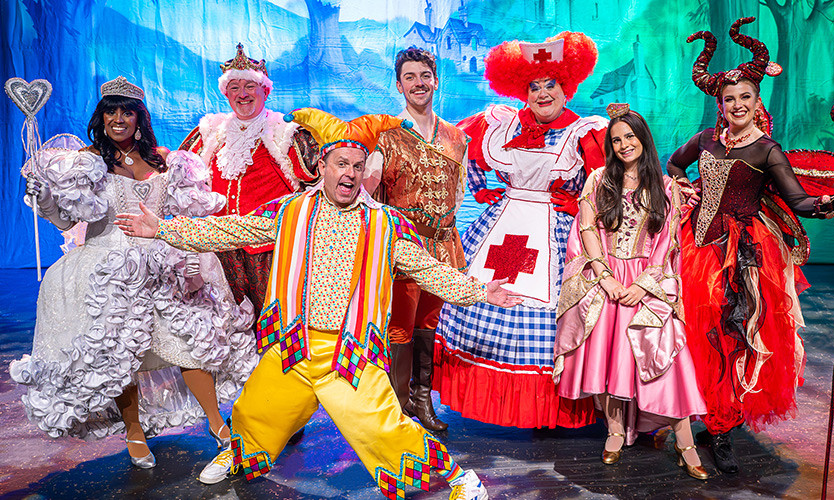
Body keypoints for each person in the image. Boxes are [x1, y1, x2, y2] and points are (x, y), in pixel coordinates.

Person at [116, 108, 520, 499]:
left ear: (364, 172)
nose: (349, 173)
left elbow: (428, 269)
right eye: (341, 163)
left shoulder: (385, 223)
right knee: (256, 411)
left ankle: (459, 478)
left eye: (357, 166)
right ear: (323, 165)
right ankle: (237, 455)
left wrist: (480, 291)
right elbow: (230, 229)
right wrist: (163, 229)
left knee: (384, 429)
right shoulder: (290, 209)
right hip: (293, 345)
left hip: (349, 353)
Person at [9, 77, 257, 470]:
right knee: (121, 354)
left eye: (127, 111)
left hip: (160, 267)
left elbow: (190, 213)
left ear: (139, 117)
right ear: (101, 117)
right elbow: (65, 218)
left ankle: (219, 427)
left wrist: (193, 254)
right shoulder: (87, 162)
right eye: (111, 111)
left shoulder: (165, 160)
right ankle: (134, 430)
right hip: (107, 269)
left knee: (187, 345)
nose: (118, 119)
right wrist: (44, 197)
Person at [666, 17, 834, 474]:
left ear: (758, 102)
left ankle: (723, 428)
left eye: (745, 98)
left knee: (734, 339)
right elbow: (675, 165)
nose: (737, 104)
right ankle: (688, 413)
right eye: (729, 98)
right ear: (720, 102)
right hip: (695, 249)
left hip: (745, 257)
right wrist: (683, 188)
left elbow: (800, 201)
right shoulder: (706, 140)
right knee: (691, 333)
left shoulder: (766, 150)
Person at [434, 31, 607, 428]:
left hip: (555, 233)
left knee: (553, 316)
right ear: (522, 90)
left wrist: (580, 197)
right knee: (485, 297)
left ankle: (549, 409)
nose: (543, 93)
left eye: (551, 84)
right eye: (534, 86)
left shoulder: (586, 132)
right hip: (504, 222)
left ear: (567, 87)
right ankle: (489, 400)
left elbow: (606, 181)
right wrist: (482, 190)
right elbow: (460, 147)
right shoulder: (501, 122)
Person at [554, 103, 708, 480]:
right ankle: (615, 431)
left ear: (643, 139)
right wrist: (606, 279)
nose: (624, 144)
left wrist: (642, 285)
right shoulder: (598, 179)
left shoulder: (667, 187)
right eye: (616, 139)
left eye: (630, 136)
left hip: (648, 279)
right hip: (606, 277)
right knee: (608, 358)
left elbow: (668, 242)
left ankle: (685, 441)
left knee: (667, 358)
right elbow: (587, 229)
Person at [363, 46, 469, 432]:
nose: (418, 83)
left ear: (435, 81)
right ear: (398, 85)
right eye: (410, 77)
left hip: (442, 246)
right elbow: (370, 195)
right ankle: (399, 408)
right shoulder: (387, 137)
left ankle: (424, 403)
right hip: (404, 250)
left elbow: (457, 195)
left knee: (429, 325)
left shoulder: (457, 138)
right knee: (399, 329)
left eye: (425, 75)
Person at [179, 43, 319, 316]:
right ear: (225, 93)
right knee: (223, 326)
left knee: (274, 322)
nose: (242, 94)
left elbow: (316, 184)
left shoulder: (286, 133)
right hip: (218, 250)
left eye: (249, 86)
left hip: (269, 250)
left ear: (265, 90)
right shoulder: (208, 133)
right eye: (234, 87)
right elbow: (180, 181)